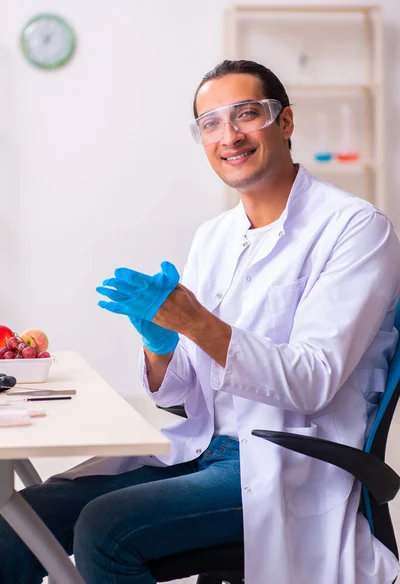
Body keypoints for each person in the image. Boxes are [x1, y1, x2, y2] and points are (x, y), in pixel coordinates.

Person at [1, 60, 400, 584]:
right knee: (20, 518)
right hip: (203, 446)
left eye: (246, 114)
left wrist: (196, 321)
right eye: (210, 123)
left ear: (285, 123)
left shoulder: (355, 228)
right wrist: (161, 344)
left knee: (105, 528)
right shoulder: (215, 236)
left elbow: (312, 380)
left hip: (285, 463)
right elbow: (186, 394)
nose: (228, 135)